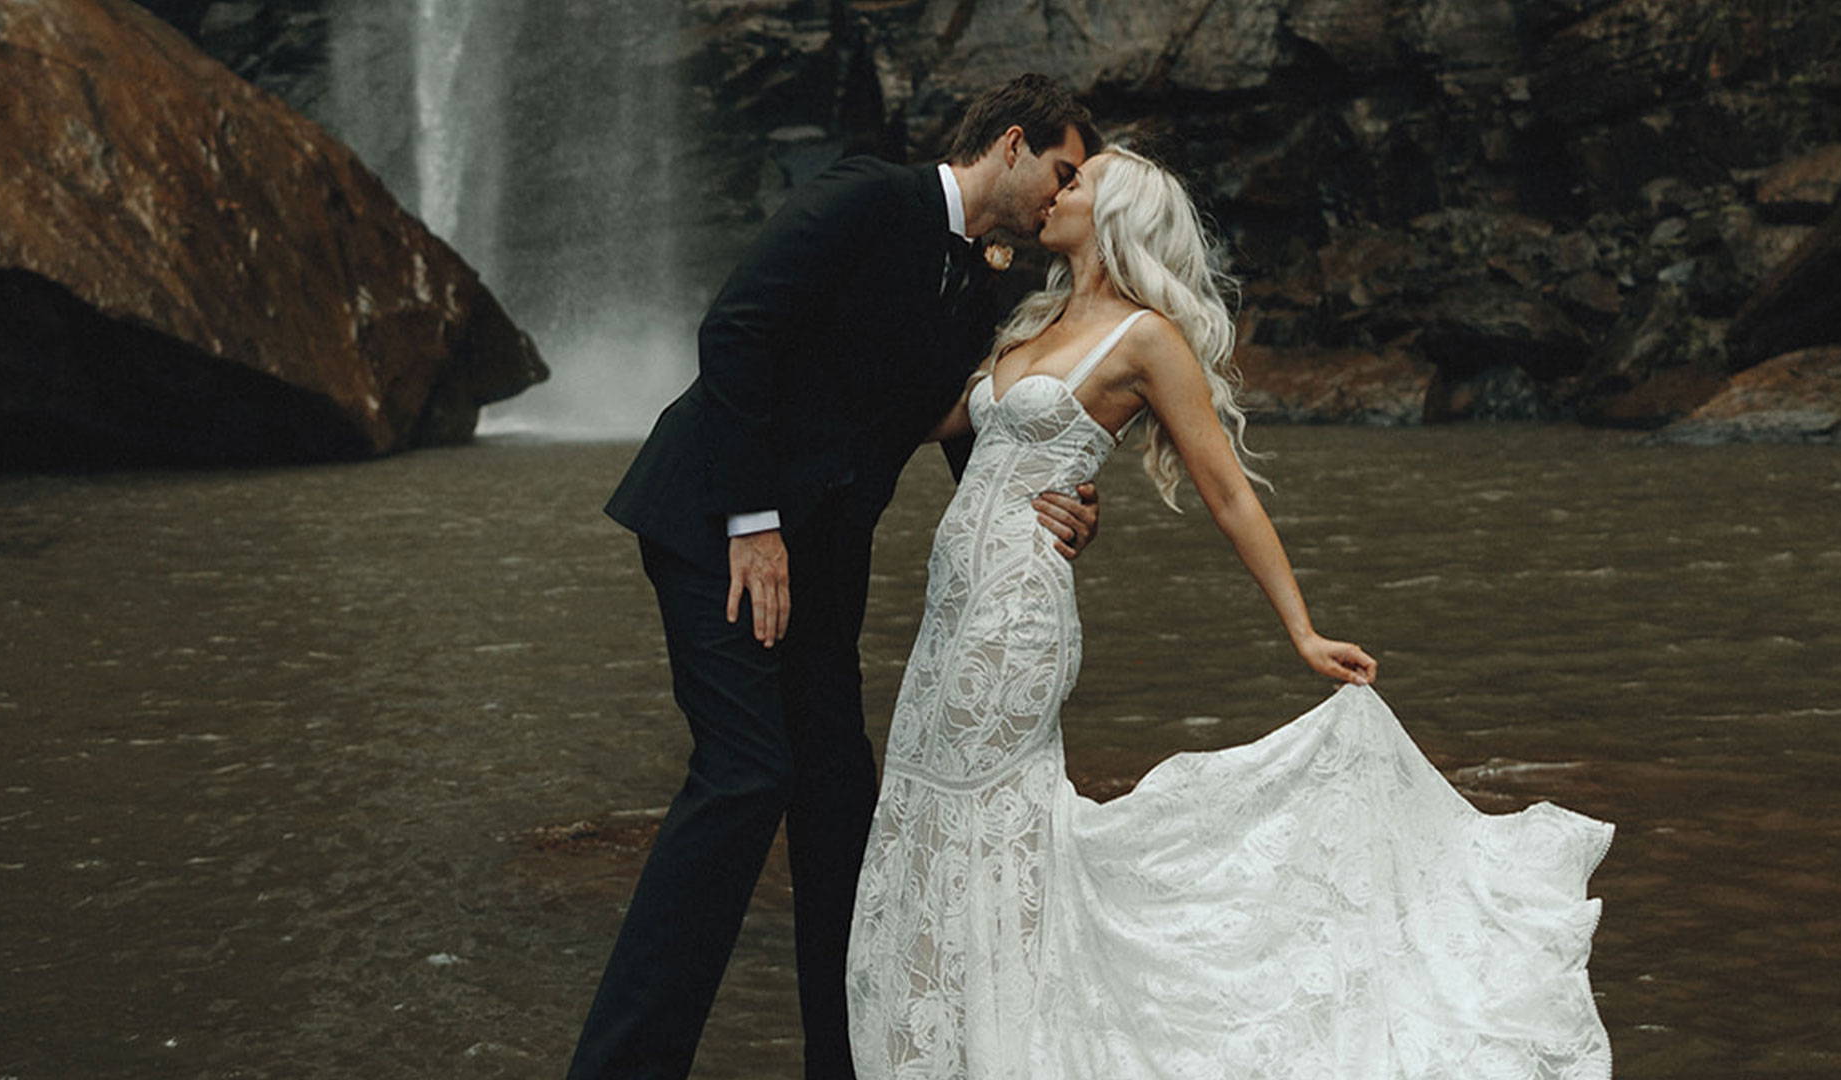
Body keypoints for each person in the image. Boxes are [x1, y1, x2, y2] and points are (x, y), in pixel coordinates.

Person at [845, 148, 1614, 1078]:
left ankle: (1017, 1052)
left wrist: (1302, 628)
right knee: (927, 812)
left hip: (1017, 619)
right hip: (950, 612)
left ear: (1115, 212)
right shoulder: (1033, 319)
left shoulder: (1146, 340)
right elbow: (924, 419)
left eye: (1076, 183)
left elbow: (1228, 491)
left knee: (992, 828)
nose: (1056, 191)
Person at [571, 75, 1103, 1080]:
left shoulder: (981, 286)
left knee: (838, 801)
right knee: (743, 775)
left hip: (821, 560)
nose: (1062, 199)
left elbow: (966, 428)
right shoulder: (868, 199)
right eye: (1063, 172)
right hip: (713, 525)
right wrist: (753, 523)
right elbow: (735, 331)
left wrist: (1048, 499)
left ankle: (845, 1064)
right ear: (1015, 144)